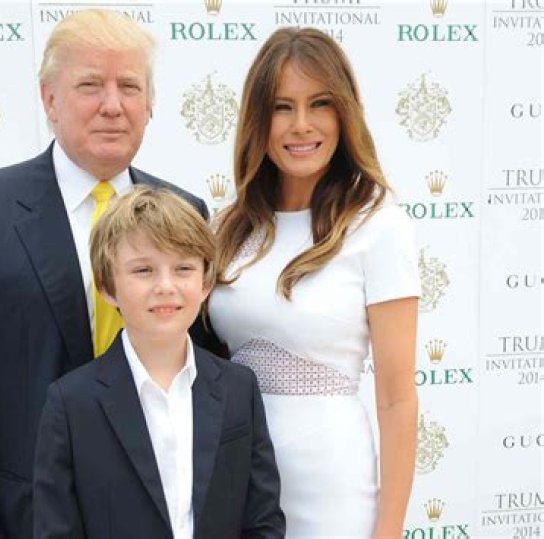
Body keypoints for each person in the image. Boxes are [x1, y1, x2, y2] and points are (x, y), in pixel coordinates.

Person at [0, 10, 207, 539]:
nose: (112, 105)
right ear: (49, 99)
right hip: (24, 521)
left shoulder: (187, 213)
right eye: (90, 85)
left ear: (150, 103)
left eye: (129, 86)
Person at [207, 27, 420, 538]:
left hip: (331, 490)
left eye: (319, 104)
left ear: (344, 113)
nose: (301, 125)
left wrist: (389, 529)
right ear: (258, 120)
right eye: (282, 107)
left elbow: (396, 398)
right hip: (234, 482)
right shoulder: (229, 228)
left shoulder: (378, 226)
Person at [33, 186, 285, 539]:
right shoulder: (71, 403)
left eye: (183, 268)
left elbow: (262, 521)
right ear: (107, 286)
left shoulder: (238, 388)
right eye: (143, 270)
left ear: (205, 282)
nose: (166, 286)